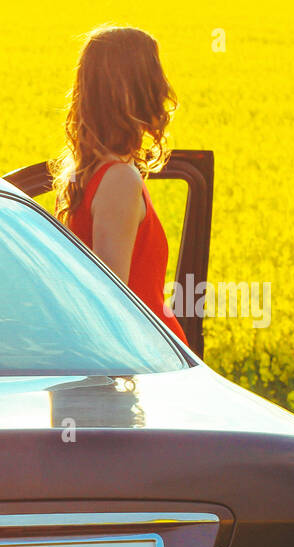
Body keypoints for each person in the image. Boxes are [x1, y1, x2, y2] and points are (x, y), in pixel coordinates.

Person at [51, 25, 190, 346]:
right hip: (146, 361)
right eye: (154, 73)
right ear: (136, 89)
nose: (163, 86)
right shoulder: (118, 179)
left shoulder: (88, 171)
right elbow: (110, 306)